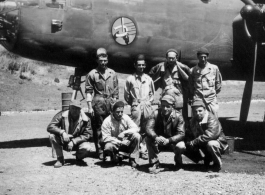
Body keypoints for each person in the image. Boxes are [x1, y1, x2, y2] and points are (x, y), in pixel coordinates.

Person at [85, 48, 119, 160]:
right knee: (99, 127)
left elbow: (116, 91)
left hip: (110, 102)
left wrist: (115, 103)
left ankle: (110, 149)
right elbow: (89, 92)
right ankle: (99, 150)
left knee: (111, 126)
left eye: (105, 60)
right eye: (101, 61)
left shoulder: (112, 73)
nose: (103, 63)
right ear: (97, 61)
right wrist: (90, 107)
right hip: (98, 102)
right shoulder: (92, 74)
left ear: (107, 60)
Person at [124, 54, 155, 159]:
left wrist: (148, 103)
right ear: (135, 65)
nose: (141, 67)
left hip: (146, 105)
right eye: (139, 65)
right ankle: (133, 149)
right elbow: (126, 95)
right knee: (135, 127)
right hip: (136, 105)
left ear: (145, 65)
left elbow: (152, 94)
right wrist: (134, 104)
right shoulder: (130, 79)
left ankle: (143, 149)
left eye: (143, 65)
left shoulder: (148, 79)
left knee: (146, 127)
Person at [145, 95, 185, 174]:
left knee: (181, 146)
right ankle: (154, 163)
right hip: (159, 141)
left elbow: (181, 134)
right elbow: (148, 128)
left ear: (172, 107)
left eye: (168, 106)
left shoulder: (178, 116)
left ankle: (178, 161)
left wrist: (169, 140)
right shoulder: (155, 113)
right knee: (148, 139)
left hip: (172, 142)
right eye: (163, 106)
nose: (165, 109)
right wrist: (156, 137)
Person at [185, 99, 228, 172]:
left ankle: (217, 165)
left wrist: (194, 142)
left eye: (200, 111)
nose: (197, 113)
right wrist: (189, 143)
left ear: (205, 110)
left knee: (211, 144)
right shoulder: (192, 121)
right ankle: (203, 161)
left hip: (218, 143)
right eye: (195, 111)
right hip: (202, 143)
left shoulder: (212, 118)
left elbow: (211, 135)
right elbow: (188, 134)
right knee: (184, 144)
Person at [47, 100, 92, 168]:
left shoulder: (86, 119)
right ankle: (60, 159)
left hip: (78, 142)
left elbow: (87, 134)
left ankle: (79, 158)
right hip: (64, 140)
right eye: (73, 108)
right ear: (69, 108)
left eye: (77, 108)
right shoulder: (61, 115)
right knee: (52, 136)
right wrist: (62, 132)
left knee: (87, 147)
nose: (74, 110)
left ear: (80, 109)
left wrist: (74, 141)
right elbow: (50, 126)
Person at [149, 49, 191, 115]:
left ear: (176, 58)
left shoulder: (182, 67)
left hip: (178, 96)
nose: (171, 60)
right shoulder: (160, 66)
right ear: (166, 58)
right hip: (166, 95)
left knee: (180, 116)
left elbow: (189, 78)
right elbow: (151, 75)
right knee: (165, 114)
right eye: (169, 58)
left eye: (173, 58)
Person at [101, 101, 141, 168]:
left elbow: (136, 128)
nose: (120, 114)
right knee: (108, 146)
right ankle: (115, 157)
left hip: (125, 143)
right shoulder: (107, 121)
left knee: (137, 136)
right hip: (115, 144)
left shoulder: (125, 117)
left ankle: (132, 159)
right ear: (112, 112)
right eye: (117, 112)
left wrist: (124, 133)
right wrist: (120, 142)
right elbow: (106, 138)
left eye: (122, 112)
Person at [189, 47, 222, 117]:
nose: (203, 59)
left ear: (207, 57)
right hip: (198, 99)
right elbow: (191, 86)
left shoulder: (214, 68)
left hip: (211, 99)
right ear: (198, 57)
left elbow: (218, 85)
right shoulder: (193, 70)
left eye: (205, 57)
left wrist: (211, 93)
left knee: (214, 120)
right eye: (201, 57)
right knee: (197, 120)